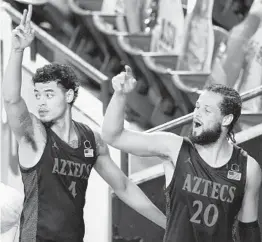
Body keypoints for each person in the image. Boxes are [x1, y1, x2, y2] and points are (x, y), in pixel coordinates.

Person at [2, 5, 166, 242]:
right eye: (37, 95)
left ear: (68, 96)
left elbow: (124, 187)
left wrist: (168, 224)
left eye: (49, 94)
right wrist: (17, 50)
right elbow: (11, 99)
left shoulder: (92, 141)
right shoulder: (35, 135)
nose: (41, 102)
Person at [102, 65, 262, 242]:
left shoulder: (248, 168)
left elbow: (249, 229)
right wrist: (119, 95)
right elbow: (113, 136)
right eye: (197, 107)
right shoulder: (174, 148)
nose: (197, 114)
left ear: (226, 119)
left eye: (207, 110)